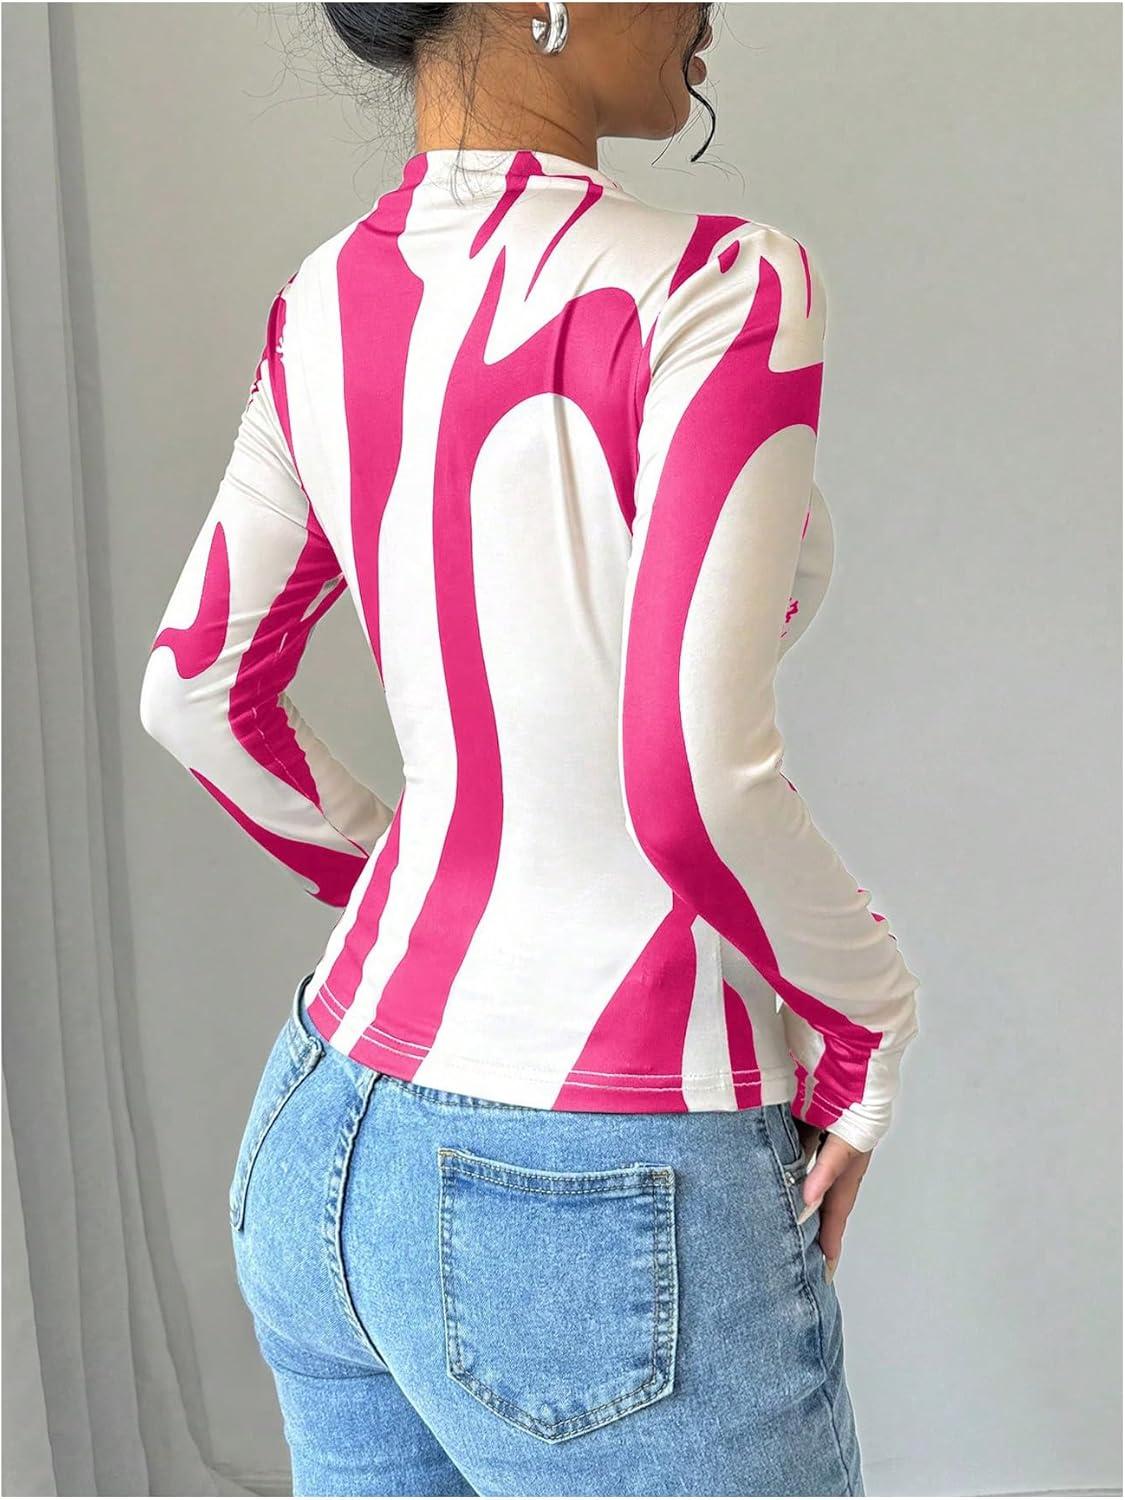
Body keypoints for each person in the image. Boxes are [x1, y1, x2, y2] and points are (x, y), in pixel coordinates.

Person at [139, 3, 921, 1494]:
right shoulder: (720, 285)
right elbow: (689, 780)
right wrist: (871, 1017)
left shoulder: (325, 297)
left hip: (325, 1130)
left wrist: (438, 876)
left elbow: (197, 694)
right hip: (594, 1176)